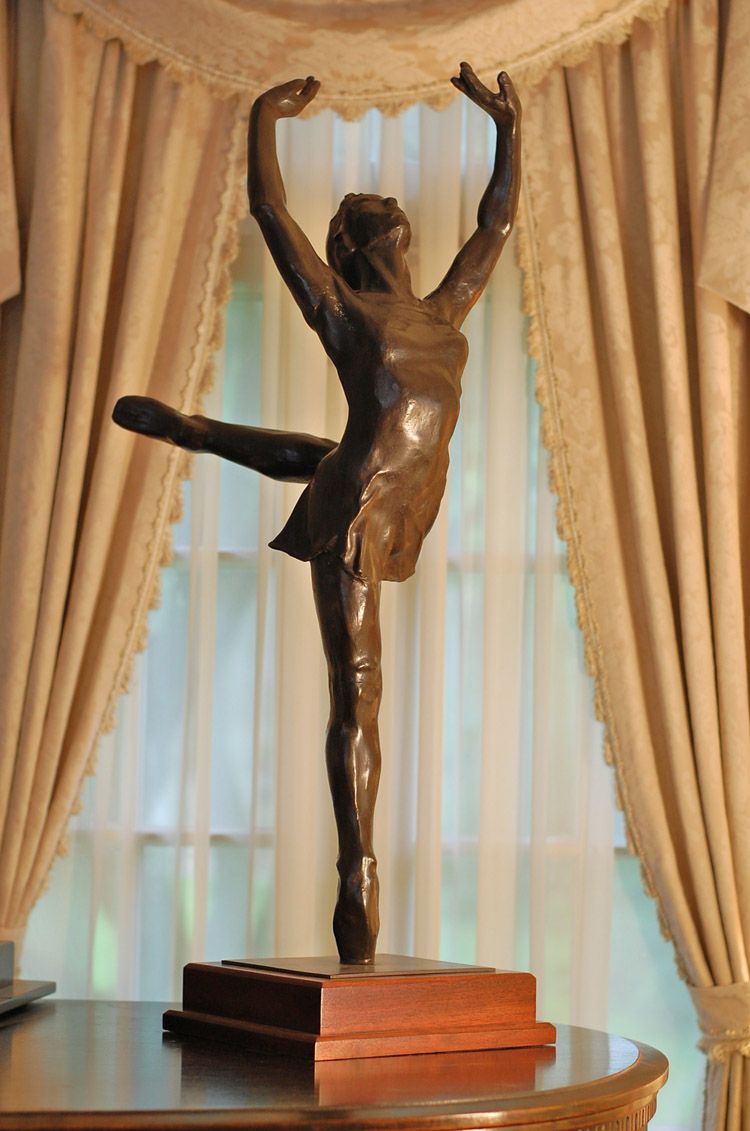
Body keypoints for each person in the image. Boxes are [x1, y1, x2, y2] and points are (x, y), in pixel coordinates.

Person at [113, 63, 521, 965]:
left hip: (400, 499)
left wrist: (507, 132)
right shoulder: (345, 310)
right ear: (347, 247)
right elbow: (269, 212)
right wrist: (264, 114)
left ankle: (191, 426)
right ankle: (357, 878)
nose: (388, 230)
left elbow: (496, 226)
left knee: (322, 454)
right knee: (359, 696)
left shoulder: (442, 310)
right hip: (354, 517)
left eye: (391, 221)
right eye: (366, 224)